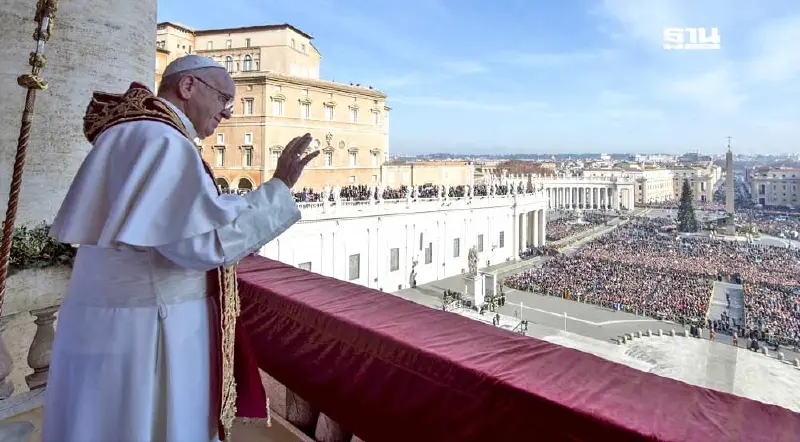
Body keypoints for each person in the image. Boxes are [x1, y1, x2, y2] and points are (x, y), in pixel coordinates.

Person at [40, 55, 319, 442]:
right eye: (225, 98)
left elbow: (196, 215)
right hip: (147, 331)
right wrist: (279, 189)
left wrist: (267, 193)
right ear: (188, 87)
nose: (228, 113)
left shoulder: (137, 134)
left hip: (113, 322)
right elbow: (202, 243)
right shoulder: (163, 141)